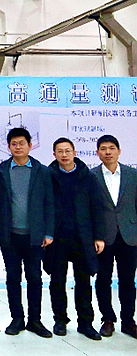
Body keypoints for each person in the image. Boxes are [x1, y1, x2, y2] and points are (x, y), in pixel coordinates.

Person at [0, 127, 55, 338]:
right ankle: (17, 318)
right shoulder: (1, 171)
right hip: (10, 235)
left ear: (30, 145)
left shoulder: (42, 171)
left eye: (22, 143)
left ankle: (35, 320)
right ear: (9, 147)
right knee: (13, 278)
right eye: (14, 144)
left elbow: (49, 203)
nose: (18, 147)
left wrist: (48, 232)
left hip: (35, 236)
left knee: (34, 278)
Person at [45, 137, 106, 340]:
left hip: (82, 237)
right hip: (57, 238)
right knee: (57, 281)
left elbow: (97, 208)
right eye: (60, 151)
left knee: (83, 282)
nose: (64, 155)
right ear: (54, 154)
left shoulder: (87, 176)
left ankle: (85, 323)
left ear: (74, 153)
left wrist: (99, 236)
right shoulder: (48, 176)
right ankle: (60, 320)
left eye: (67, 151)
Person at [92, 134, 137, 339]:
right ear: (97, 152)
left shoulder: (132, 175)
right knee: (103, 279)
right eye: (103, 148)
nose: (107, 152)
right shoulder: (92, 176)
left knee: (128, 280)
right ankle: (107, 319)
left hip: (129, 235)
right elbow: (90, 209)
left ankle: (128, 321)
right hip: (103, 237)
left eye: (111, 148)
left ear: (119, 151)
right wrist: (95, 235)